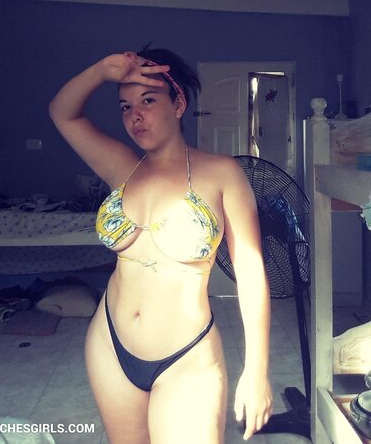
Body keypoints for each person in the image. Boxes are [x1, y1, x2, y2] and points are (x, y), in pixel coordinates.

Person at [49, 46, 273, 443]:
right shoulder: (121, 166)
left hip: (186, 356)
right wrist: (101, 71)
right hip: (110, 345)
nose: (135, 115)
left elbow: (251, 272)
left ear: (179, 104)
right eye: (125, 106)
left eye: (148, 101)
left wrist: (257, 371)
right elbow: (62, 113)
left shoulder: (222, 174)